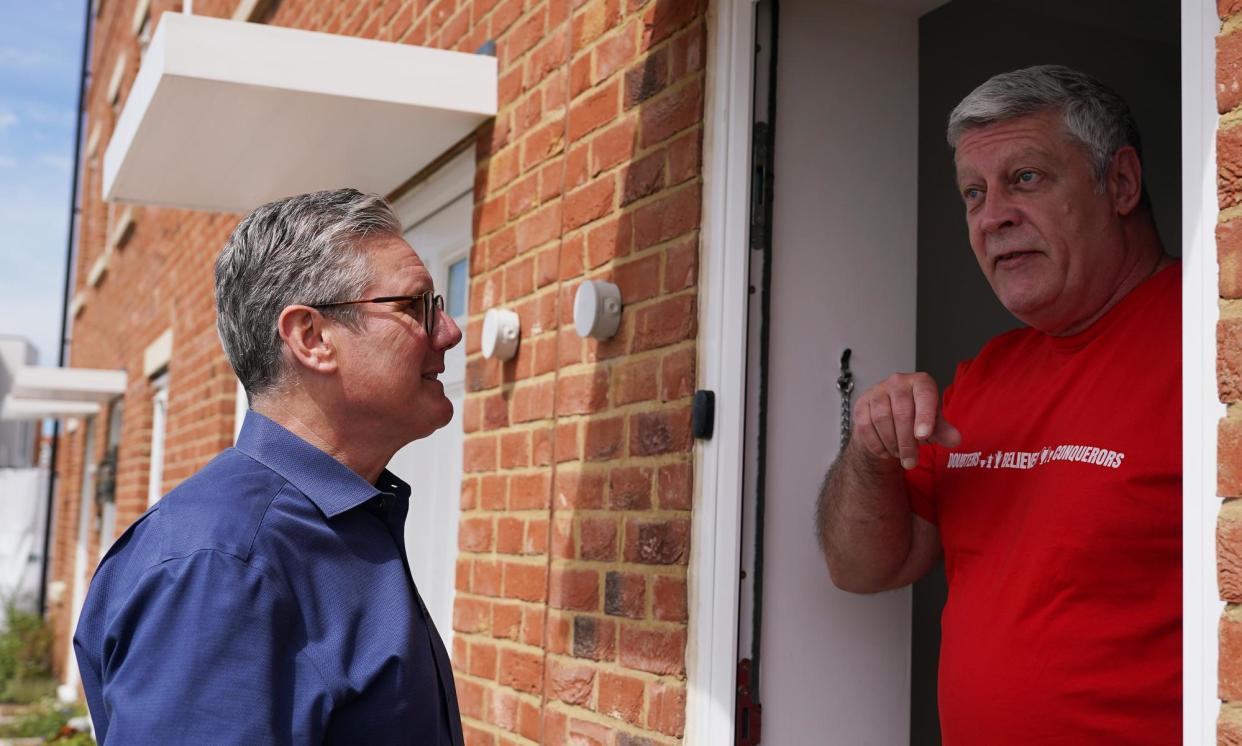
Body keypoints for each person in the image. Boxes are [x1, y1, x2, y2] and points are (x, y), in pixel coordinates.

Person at [816, 65, 1179, 744]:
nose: (992, 217)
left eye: (1027, 179)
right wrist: (869, 453)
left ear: (1121, 184)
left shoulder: (1210, 342)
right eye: (973, 194)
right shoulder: (985, 373)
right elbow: (864, 568)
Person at [73, 189, 465, 744]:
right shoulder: (225, 567)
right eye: (415, 307)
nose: (447, 332)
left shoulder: (339, 523)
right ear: (312, 337)